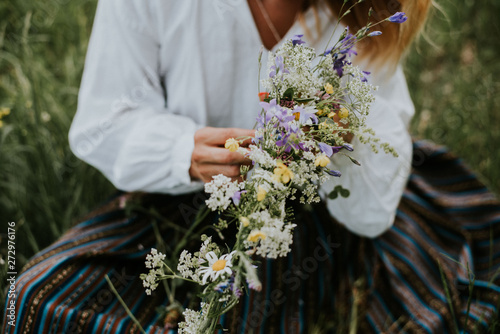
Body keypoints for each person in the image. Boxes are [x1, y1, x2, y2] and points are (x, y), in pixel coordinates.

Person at [3, 0, 500, 333]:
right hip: (177, 200)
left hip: (309, 219)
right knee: (31, 300)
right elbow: (102, 122)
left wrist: (342, 136)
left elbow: (369, 213)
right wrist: (185, 151)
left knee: (228, 318)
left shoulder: (361, 15)